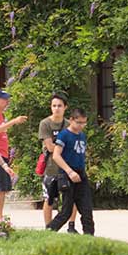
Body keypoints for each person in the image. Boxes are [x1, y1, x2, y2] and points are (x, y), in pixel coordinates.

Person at [47, 108, 95, 235]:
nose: (81, 126)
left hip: (81, 174)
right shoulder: (64, 135)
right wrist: (70, 172)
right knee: (66, 211)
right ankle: (48, 233)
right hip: (67, 174)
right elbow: (56, 155)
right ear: (72, 120)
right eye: (79, 122)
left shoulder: (82, 135)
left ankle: (89, 239)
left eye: (84, 123)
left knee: (87, 210)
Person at [37, 92, 75, 231]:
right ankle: (48, 227)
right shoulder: (45, 124)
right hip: (51, 167)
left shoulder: (69, 124)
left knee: (71, 198)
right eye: (54, 105)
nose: (56, 108)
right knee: (49, 199)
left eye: (59, 105)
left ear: (65, 107)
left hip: (68, 167)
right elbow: (49, 147)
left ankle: (71, 226)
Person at [0, 89, 24, 221]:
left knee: (5, 187)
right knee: (2, 188)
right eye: (4, 99)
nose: (7, 101)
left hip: (3, 154)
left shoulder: (1, 115)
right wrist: (14, 121)